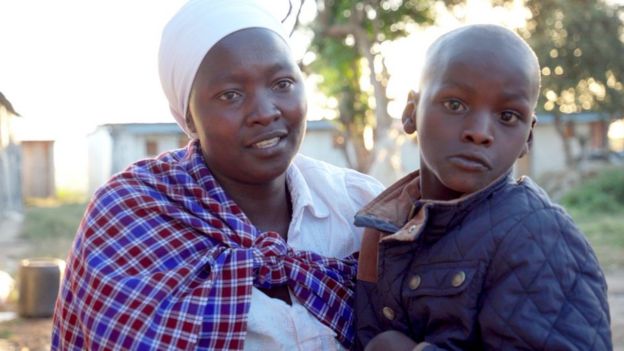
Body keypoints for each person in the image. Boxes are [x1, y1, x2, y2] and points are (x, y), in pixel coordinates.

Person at [51, 1, 384, 350]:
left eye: (282, 83)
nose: (265, 112)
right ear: (189, 117)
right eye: (231, 94)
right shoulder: (129, 217)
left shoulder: (358, 206)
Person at [354, 24, 612, 350]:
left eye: (507, 115)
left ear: (527, 138)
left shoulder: (537, 235)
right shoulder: (382, 230)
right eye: (455, 105)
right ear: (411, 113)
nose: (479, 132)